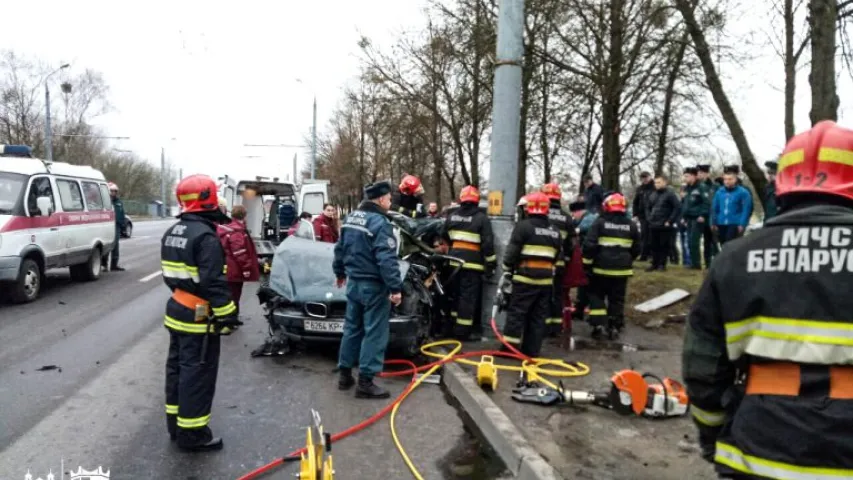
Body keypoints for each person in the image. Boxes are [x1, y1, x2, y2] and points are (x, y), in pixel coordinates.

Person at [682, 120, 853, 478]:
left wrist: (715, 436)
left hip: (759, 451)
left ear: (782, 187)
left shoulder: (733, 258)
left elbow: (702, 368)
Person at [162, 174, 241, 452]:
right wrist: (228, 315)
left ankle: (176, 426)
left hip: (176, 310)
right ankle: (193, 434)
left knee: (177, 370)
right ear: (208, 199)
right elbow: (213, 282)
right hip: (198, 316)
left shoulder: (174, 231)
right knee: (197, 375)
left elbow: (170, 275)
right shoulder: (206, 237)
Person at [334, 181, 403, 399]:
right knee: (375, 331)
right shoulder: (380, 223)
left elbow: (339, 249)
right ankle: (365, 382)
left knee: (352, 328)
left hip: (353, 283)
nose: (390, 202)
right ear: (381, 199)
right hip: (373, 286)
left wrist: (339, 272)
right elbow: (386, 259)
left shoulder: (350, 219)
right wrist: (395, 287)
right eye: (389, 199)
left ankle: (344, 374)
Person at [500, 192, 562, 357]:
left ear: (530, 208)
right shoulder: (555, 230)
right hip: (546, 281)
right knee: (537, 317)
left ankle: (509, 350)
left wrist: (506, 268)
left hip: (525, 278)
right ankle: (531, 351)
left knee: (517, 314)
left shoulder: (523, 227)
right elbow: (557, 256)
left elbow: (512, 253)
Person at [582, 193, 640, 339]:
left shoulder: (599, 222)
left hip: (600, 269)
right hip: (622, 271)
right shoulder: (631, 225)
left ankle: (598, 325)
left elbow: (589, 245)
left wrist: (587, 264)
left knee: (597, 296)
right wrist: (626, 260)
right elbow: (637, 249)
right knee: (617, 299)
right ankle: (614, 325)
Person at [443, 185, 495, 340]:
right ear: (476, 200)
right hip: (472, 265)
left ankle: (450, 328)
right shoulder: (481, 219)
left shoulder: (452, 216)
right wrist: (491, 264)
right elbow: (487, 244)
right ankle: (462, 333)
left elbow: (444, 235)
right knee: (467, 299)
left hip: (453, 263)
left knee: (454, 295)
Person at [542, 182, 575, 337]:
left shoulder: (541, 215)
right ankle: (556, 327)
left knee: (543, 295)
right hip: (559, 263)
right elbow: (572, 243)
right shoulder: (567, 218)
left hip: (541, 262)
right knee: (557, 295)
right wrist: (566, 258)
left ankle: (542, 325)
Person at [217, 205, 260, 317]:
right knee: (234, 294)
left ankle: (231, 316)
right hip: (235, 269)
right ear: (244, 215)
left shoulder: (229, 228)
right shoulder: (237, 230)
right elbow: (239, 252)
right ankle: (231, 318)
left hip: (228, 267)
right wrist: (246, 268)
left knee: (231, 294)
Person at [644, 175, 681, 271]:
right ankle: (654, 263)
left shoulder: (670, 194)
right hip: (653, 223)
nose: (656, 184)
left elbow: (677, 207)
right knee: (653, 244)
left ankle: (662, 264)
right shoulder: (653, 194)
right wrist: (649, 218)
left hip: (665, 224)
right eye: (655, 182)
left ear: (665, 182)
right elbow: (647, 207)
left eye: (659, 182)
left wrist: (670, 220)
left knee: (664, 245)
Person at [711, 166, 753, 245]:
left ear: (735, 179)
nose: (727, 181)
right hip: (721, 223)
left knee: (730, 244)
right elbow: (714, 208)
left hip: (735, 223)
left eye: (730, 179)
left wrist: (742, 224)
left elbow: (746, 209)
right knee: (723, 246)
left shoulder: (743, 192)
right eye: (725, 179)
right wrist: (713, 222)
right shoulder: (719, 192)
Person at [681, 167, 713, 270]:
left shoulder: (701, 187)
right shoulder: (687, 188)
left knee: (694, 241)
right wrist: (684, 217)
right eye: (684, 176)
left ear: (694, 176)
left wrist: (703, 215)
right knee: (689, 241)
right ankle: (693, 263)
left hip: (697, 218)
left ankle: (696, 264)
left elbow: (707, 202)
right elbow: (685, 203)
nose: (685, 178)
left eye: (687, 176)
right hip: (689, 218)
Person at [696, 164, 720, 262]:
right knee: (706, 241)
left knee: (715, 241)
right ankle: (707, 262)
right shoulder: (697, 186)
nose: (699, 175)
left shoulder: (716, 186)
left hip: (713, 217)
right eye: (698, 173)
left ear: (707, 174)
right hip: (702, 217)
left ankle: (718, 260)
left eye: (701, 173)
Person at [632, 172, 655, 261]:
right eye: (642, 178)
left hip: (653, 215)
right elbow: (635, 202)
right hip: (642, 215)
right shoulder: (640, 189)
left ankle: (652, 254)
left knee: (652, 235)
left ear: (650, 177)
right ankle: (644, 255)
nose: (644, 179)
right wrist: (635, 214)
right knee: (644, 235)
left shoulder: (654, 187)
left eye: (646, 177)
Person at [108, 183, 126, 271]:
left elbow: (122, 214)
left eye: (115, 191)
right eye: (111, 191)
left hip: (117, 226)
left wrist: (123, 226)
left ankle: (114, 265)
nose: (113, 193)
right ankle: (103, 264)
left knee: (115, 245)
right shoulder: (106, 201)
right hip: (108, 225)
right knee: (107, 244)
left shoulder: (119, 202)